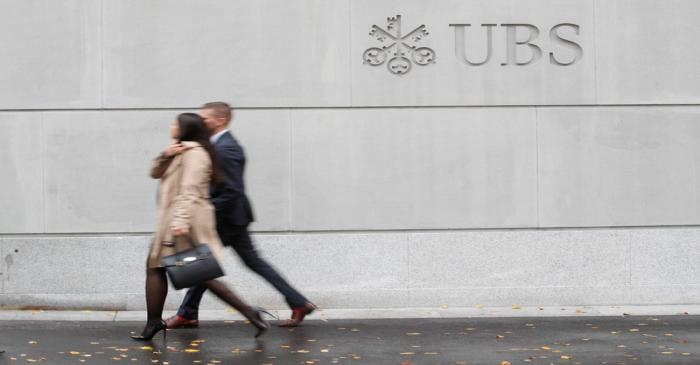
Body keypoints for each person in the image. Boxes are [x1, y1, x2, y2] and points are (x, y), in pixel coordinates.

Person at [165, 102, 316, 329]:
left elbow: (231, 191)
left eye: (205, 119)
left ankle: (187, 314)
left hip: (227, 219)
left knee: (201, 264)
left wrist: (203, 212)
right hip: (232, 218)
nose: (201, 122)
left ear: (220, 121)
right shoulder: (217, 145)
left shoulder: (227, 148)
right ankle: (299, 302)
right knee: (241, 262)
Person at [132, 113, 270, 341]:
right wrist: (165, 154)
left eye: (175, 123)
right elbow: (154, 173)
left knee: (198, 274)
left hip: (182, 223)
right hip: (171, 221)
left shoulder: (196, 154)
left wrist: (179, 221)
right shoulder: (179, 150)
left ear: (185, 128)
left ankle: (250, 312)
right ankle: (153, 322)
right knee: (158, 267)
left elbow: (190, 191)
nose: (171, 126)